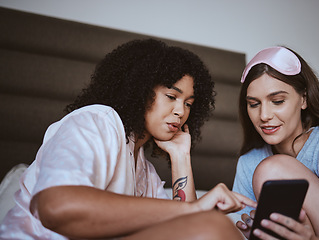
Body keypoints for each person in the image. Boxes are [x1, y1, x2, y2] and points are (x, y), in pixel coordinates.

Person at [0, 39, 256, 240]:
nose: (181, 111)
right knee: (212, 228)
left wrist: (180, 156)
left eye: (188, 103)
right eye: (171, 96)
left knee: (212, 228)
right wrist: (195, 210)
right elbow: (55, 206)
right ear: (141, 90)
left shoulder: (144, 172)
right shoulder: (98, 120)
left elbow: (186, 228)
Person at [232, 46, 319, 240]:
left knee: (271, 169)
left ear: (303, 99)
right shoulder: (248, 163)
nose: (264, 116)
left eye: (277, 101)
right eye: (254, 104)